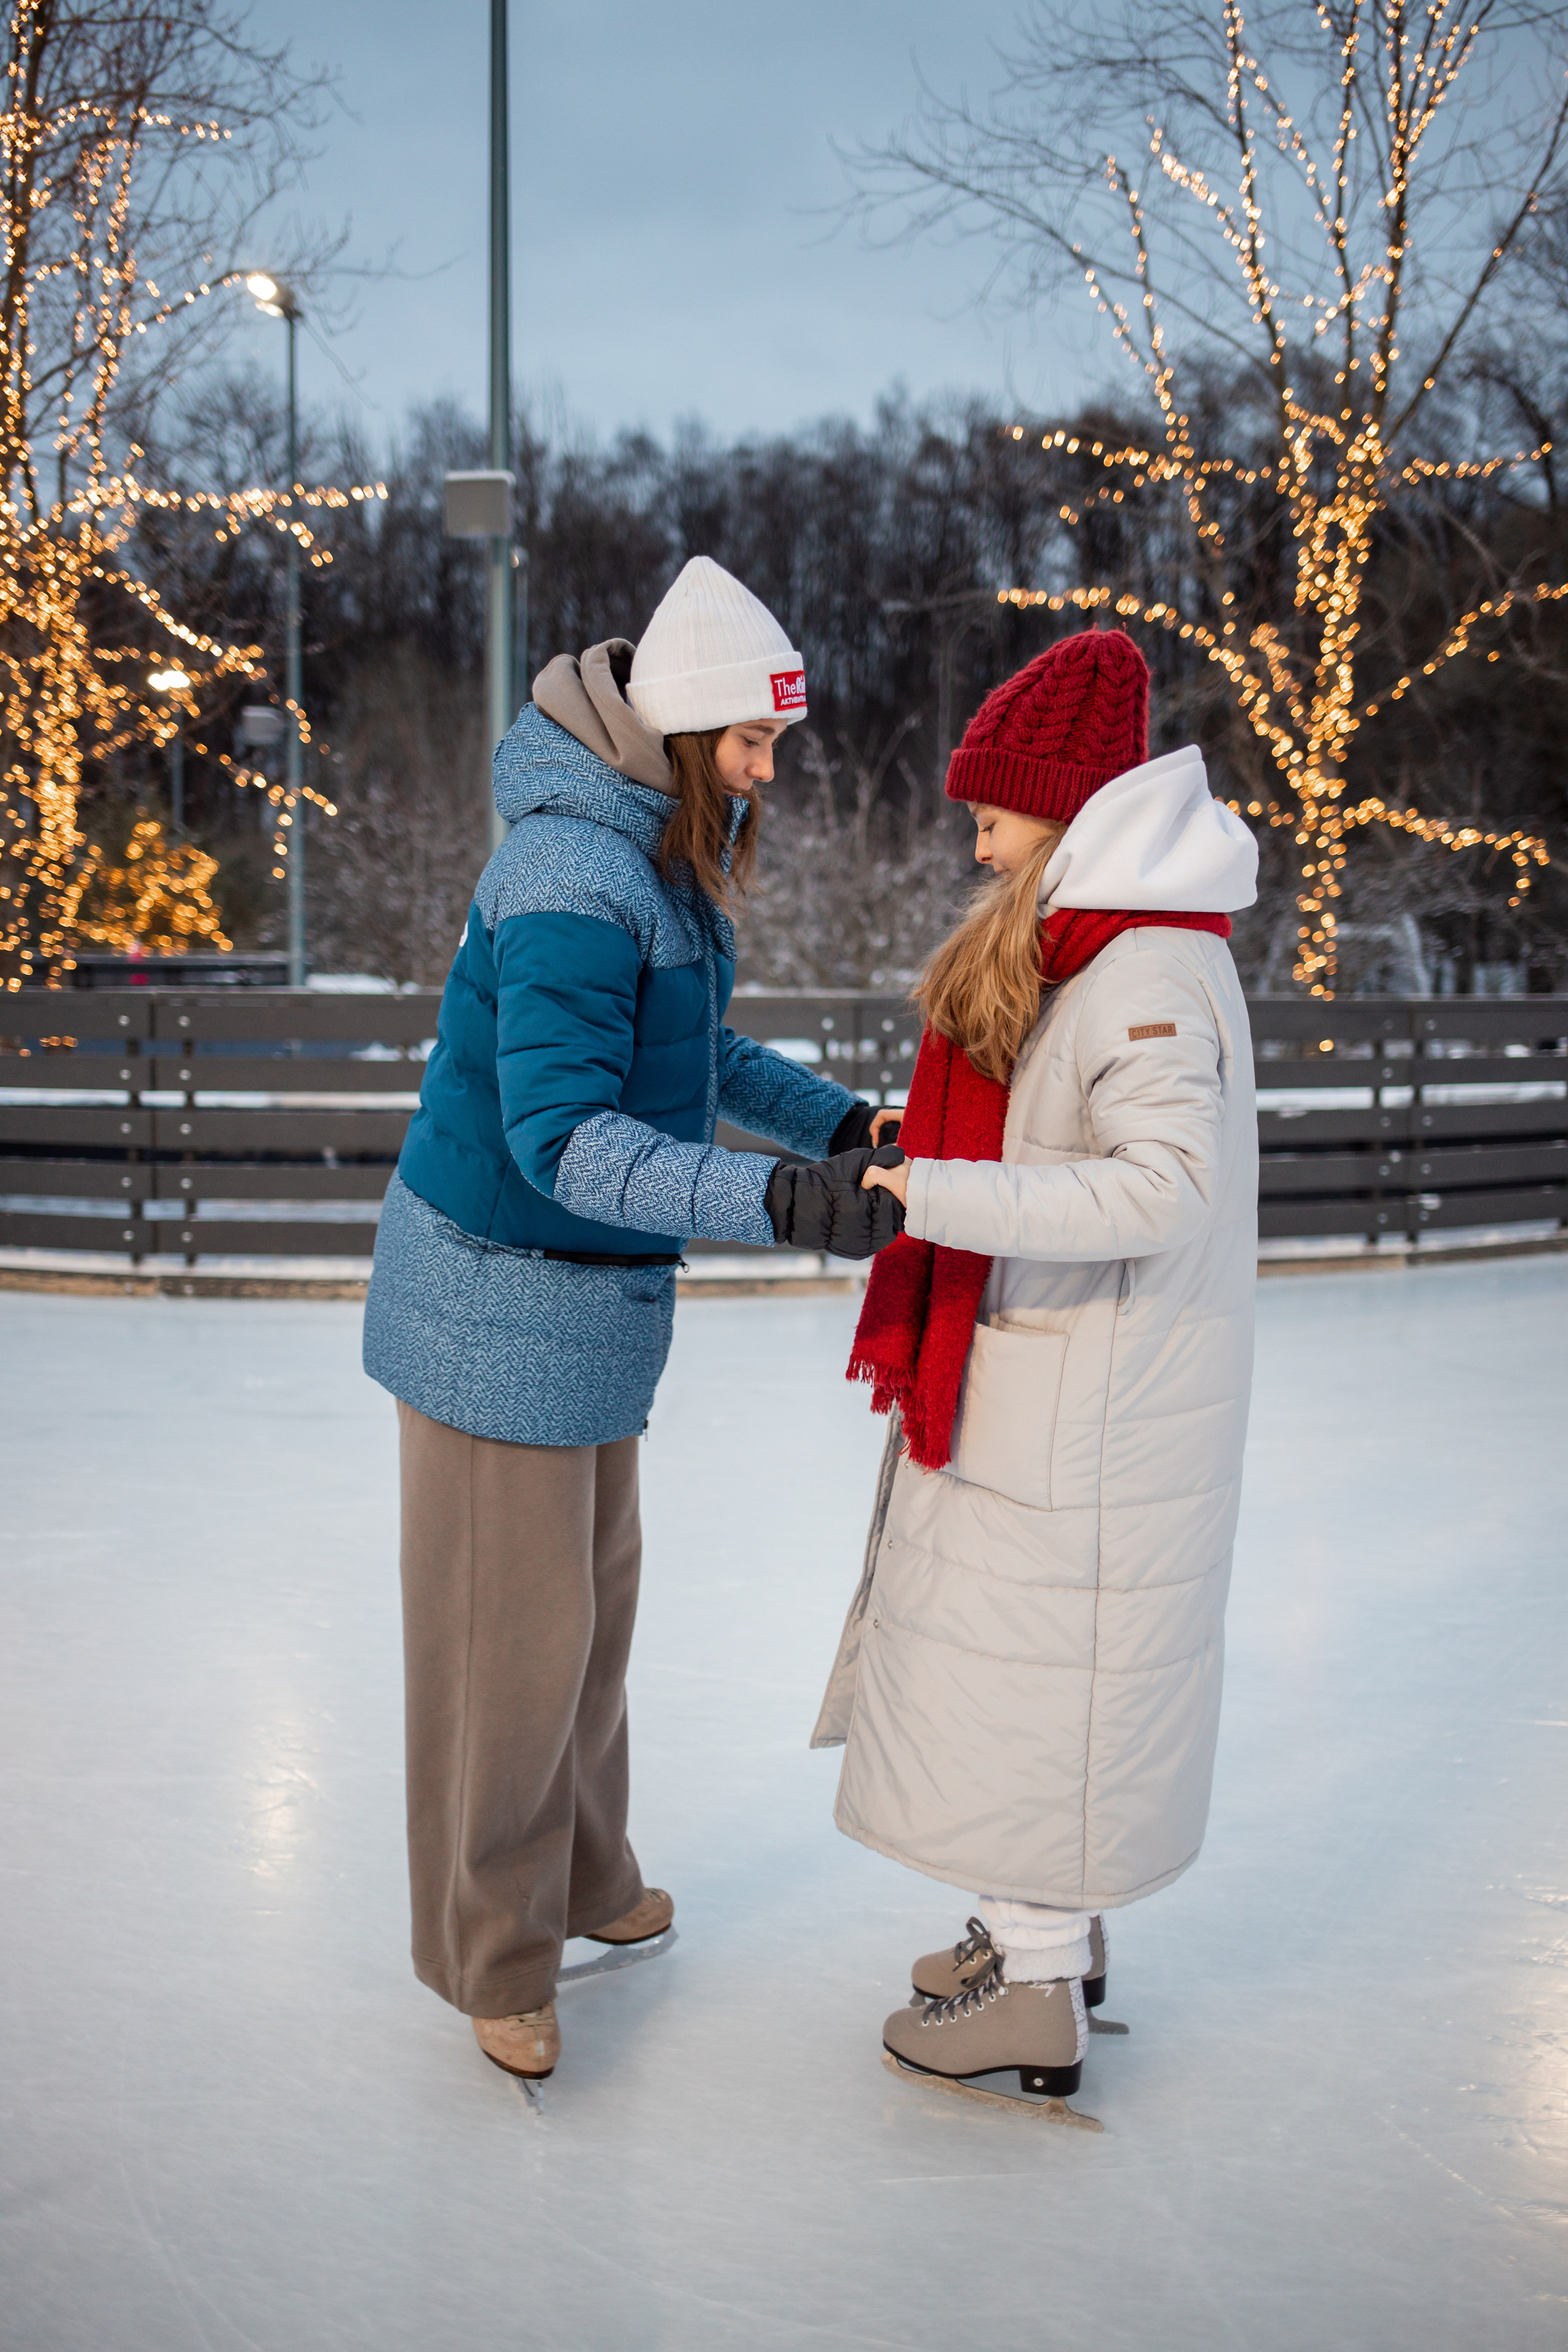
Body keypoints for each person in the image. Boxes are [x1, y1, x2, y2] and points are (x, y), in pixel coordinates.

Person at [364, 556, 902, 2084]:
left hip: (583, 1316)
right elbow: (564, 1142)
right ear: (679, 733)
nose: (767, 770)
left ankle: (586, 1876)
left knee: (584, 1629)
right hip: (495, 1309)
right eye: (752, 741)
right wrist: (783, 1206)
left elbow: (696, 1051)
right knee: (507, 1655)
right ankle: (493, 1952)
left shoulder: (651, 857)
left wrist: (835, 1125)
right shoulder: (569, 876)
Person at [811, 625, 1259, 2113]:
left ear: (1069, 814)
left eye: (995, 808)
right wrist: (937, 1153)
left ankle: (1035, 1986)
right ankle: (1035, 1940)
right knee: (1022, 1675)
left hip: (1093, 1409)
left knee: (1038, 1687)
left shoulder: (1140, 965)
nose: (975, 835)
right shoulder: (1106, 945)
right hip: (1065, 1385)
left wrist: (935, 1192)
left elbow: (1159, 1186)